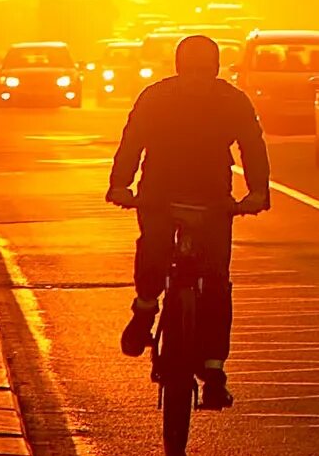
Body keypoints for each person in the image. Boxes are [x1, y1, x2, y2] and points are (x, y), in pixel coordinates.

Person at [106, 36, 269, 409]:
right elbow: (132, 141)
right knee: (152, 258)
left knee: (215, 284)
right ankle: (145, 310)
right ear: (178, 69)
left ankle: (214, 372)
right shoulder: (155, 98)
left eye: (205, 70)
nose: (197, 78)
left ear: (216, 70)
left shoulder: (233, 101)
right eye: (191, 70)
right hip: (159, 196)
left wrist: (258, 192)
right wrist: (120, 184)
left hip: (212, 201)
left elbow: (253, 145)